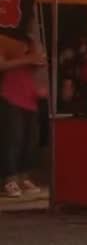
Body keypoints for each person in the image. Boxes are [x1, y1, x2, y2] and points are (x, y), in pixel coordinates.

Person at [0, 34, 47, 198]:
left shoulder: (31, 49)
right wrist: (27, 59)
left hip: (30, 101)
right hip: (11, 98)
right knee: (13, 140)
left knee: (29, 142)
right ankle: (9, 179)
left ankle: (23, 177)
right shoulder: (5, 42)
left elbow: (36, 70)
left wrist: (40, 91)